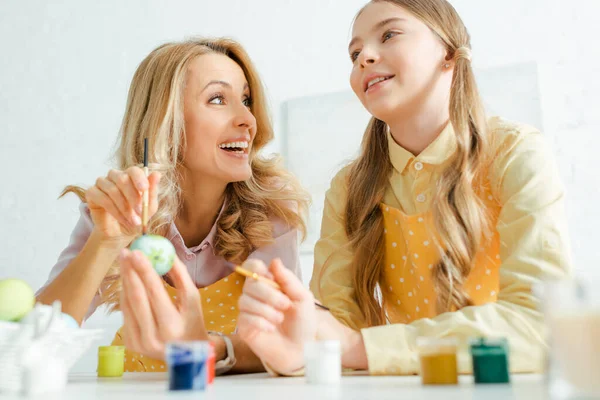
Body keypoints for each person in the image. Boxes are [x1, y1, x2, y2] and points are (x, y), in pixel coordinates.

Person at [237, 0, 571, 376]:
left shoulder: (515, 154)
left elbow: (543, 324)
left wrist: (353, 347)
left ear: (447, 51)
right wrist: (299, 351)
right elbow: (334, 330)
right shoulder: (348, 189)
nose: (365, 57)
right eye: (354, 53)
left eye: (389, 34)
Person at [37, 38, 309, 374]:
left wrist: (208, 348)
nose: (247, 119)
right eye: (218, 99)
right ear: (166, 123)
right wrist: (105, 242)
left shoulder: (273, 207)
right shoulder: (118, 206)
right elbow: (38, 336)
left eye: (246, 100)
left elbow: (287, 343)